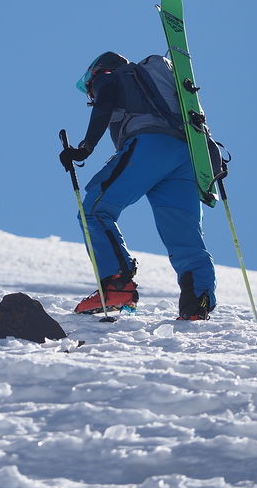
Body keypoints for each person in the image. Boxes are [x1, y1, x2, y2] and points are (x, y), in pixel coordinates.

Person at [59, 51, 216, 320]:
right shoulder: (160, 85)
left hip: (149, 146)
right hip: (186, 155)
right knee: (185, 237)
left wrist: (85, 147)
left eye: (89, 87)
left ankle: (116, 285)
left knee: (95, 210)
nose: (91, 94)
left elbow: (104, 102)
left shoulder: (110, 76)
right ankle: (197, 302)